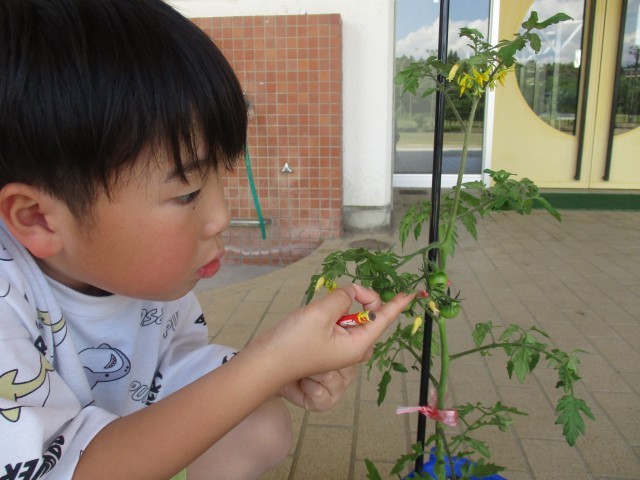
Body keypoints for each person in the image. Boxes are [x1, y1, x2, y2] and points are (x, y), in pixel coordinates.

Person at [0, 0, 413, 479]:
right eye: (188, 193)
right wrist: (269, 363)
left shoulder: (149, 278)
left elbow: (171, 369)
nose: (221, 216)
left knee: (260, 423)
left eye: (222, 174)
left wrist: (276, 368)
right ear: (38, 219)